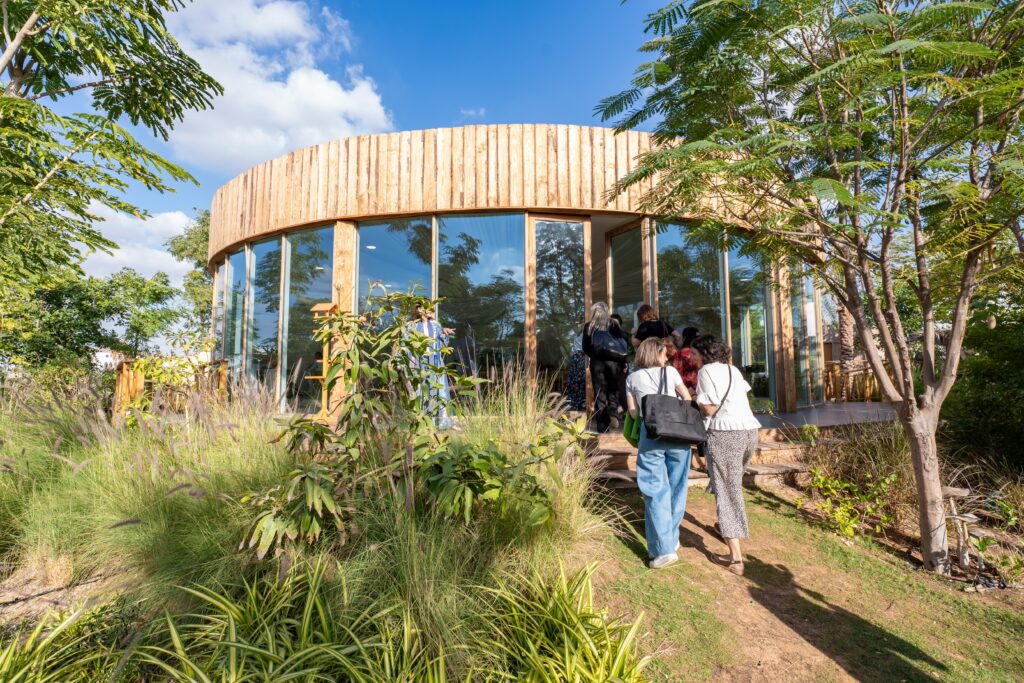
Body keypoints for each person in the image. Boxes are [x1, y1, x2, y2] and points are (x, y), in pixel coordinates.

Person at [692, 333, 762, 576]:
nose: (692, 357)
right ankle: (725, 526)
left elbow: (710, 407)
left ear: (704, 353)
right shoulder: (733, 370)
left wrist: (695, 399)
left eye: (694, 353)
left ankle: (735, 559)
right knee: (730, 483)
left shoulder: (706, 372)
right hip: (749, 432)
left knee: (727, 490)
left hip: (726, 434)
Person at [625, 337, 693, 569]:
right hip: (678, 433)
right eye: (664, 354)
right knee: (677, 486)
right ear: (657, 354)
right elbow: (687, 399)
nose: (667, 357)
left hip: (651, 432)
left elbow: (634, 414)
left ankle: (663, 548)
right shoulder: (672, 373)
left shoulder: (632, 378)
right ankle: (670, 540)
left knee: (654, 488)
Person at [410, 303, 456, 429]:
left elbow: (441, 345)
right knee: (420, 390)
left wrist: (445, 333)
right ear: (419, 309)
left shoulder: (436, 325)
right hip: (419, 362)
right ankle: (420, 422)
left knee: (439, 390)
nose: (431, 311)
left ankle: (442, 422)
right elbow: (406, 343)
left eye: (431, 309)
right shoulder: (412, 325)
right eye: (428, 308)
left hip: (435, 362)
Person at [583, 302, 624, 433]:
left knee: (599, 393)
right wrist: (623, 362)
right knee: (613, 389)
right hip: (614, 363)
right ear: (606, 311)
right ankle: (613, 409)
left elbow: (585, 347)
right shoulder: (614, 324)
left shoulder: (589, 326)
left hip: (597, 364)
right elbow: (621, 344)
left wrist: (595, 355)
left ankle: (602, 426)